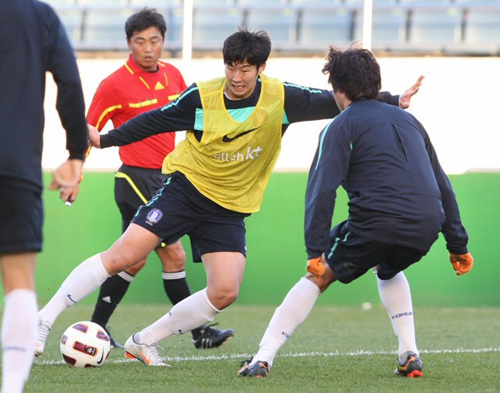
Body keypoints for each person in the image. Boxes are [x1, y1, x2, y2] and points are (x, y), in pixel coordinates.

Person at [35, 28, 422, 367]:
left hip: (229, 208)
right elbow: (156, 119)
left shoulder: (281, 98)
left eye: (245, 69)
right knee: (124, 254)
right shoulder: (201, 98)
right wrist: (105, 139)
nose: (237, 77)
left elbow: (339, 100)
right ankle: (43, 320)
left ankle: (142, 342)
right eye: (231, 67)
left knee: (225, 291)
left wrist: (392, 100)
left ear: (260, 69)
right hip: (186, 191)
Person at [237, 47, 474, 379]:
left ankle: (262, 359)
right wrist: (458, 245)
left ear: (337, 89)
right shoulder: (410, 121)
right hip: (425, 228)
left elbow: (322, 191)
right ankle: (409, 354)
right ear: (376, 84)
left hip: (375, 225)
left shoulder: (340, 126)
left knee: (317, 277)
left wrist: (315, 250)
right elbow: (443, 184)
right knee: (387, 267)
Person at [85, 7, 233, 350]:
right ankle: (199, 333)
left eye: (154, 40)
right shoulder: (113, 84)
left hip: (167, 179)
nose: (148, 48)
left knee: (132, 260)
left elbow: (192, 121)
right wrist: (75, 171)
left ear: (163, 41)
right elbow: (88, 129)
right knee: (174, 257)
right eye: (140, 42)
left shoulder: (175, 76)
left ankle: (96, 327)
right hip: (134, 178)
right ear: (129, 43)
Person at [0, 0, 89, 391]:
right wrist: (74, 153)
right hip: (14, 162)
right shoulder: (37, 14)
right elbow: (68, 81)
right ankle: (12, 386)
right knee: (19, 281)